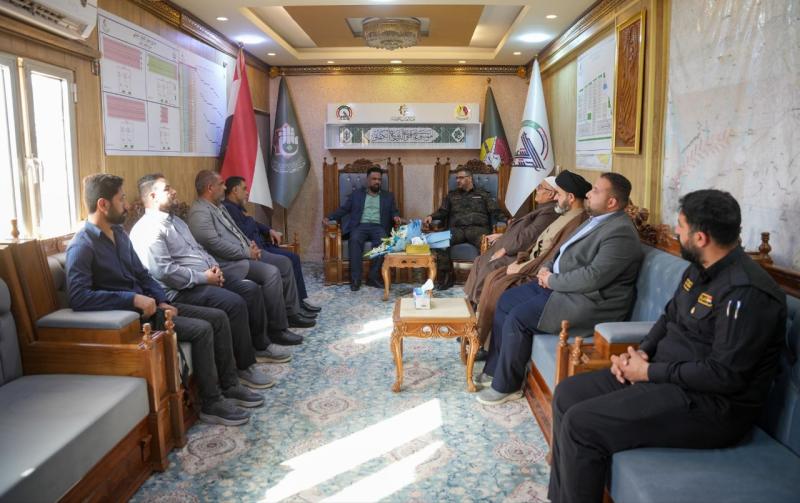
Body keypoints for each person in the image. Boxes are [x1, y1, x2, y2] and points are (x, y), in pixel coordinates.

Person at [548, 189, 787, 503]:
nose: (676, 231)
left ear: (700, 237)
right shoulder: (699, 267)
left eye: (681, 226)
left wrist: (648, 372)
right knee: (567, 393)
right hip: (664, 377)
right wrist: (641, 352)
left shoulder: (747, 293)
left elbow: (723, 376)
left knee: (582, 424)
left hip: (710, 406)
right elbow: (669, 317)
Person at [66, 174, 262, 426]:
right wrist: (132, 299)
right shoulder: (82, 245)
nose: (127, 204)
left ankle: (231, 385)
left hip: (154, 308)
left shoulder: (119, 234)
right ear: (103, 204)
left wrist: (160, 299)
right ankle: (211, 403)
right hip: (131, 321)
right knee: (202, 329)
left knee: (219, 317)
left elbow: (142, 274)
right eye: (121, 199)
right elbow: (79, 297)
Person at [476, 172, 643, 405]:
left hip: (587, 301)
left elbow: (593, 277)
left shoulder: (621, 233)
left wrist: (552, 280)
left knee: (518, 317)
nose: (588, 193)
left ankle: (507, 386)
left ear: (612, 202)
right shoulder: (595, 219)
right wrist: (546, 268)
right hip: (563, 287)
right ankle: (495, 369)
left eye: (595, 190)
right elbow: (562, 249)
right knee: (506, 300)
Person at [130, 174, 292, 390]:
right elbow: (165, 272)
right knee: (234, 303)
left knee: (250, 290)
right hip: (181, 290)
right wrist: (204, 277)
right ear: (152, 196)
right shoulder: (148, 229)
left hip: (206, 276)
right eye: (167, 189)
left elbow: (199, 250)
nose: (174, 191)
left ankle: (260, 346)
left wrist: (215, 269)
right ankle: (243, 368)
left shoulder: (176, 221)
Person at [188, 170, 314, 345]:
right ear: (210, 188)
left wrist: (250, 244)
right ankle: (277, 330)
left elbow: (236, 231)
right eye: (221, 184)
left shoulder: (218, 206)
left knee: (284, 263)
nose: (225, 188)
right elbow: (214, 244)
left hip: (241, 255)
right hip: (228, 263)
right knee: (271, 273)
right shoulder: (200, 212)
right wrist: (247, 252)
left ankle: (291, 313)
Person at [475, 170, 591, 349]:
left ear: (571, 197)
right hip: (530, 262)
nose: (556, 198)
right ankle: (479, 336)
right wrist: (520, 260)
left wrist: (522, 268)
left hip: (537, 271)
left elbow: (553, 254)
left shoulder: (577, 221)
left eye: (559, 194)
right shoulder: (566, 214)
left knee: (497, 284)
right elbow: (539, 243)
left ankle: (484, 342)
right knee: (493, 278)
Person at [222, 175, 320, 314]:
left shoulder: (236, 208)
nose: (247, 192)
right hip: (255, 252)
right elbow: (244, 232)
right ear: (235, 190)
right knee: (291, 259)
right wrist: (250, 219)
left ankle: (300, 301)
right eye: (244, 189)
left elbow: (253, 224)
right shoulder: (228, 209)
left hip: (264, 245)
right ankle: (297, 305)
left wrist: (269, 230)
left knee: (293, 258)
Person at [463, 176, 558, 305]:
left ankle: (479, 302)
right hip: (509, 243)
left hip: (516, 251)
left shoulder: (550, 211)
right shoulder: (544, 207)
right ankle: (470, 300)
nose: (536, 190)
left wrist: (505, 249)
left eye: (540, 187)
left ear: (551, 194)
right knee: (480, 260)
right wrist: (502, 236)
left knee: (489, 265)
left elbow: (529, 235)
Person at [424, 167, 506, 290]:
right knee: (440, 243)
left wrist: (507, 220)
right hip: (457, 230)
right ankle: (447, 277)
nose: (457, 180)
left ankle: (483, 279)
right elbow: (442, 211)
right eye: (457, 178)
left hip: (478, 230)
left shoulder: (483, 194)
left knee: (486, 245)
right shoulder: (452, 195)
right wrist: (431, 216)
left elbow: (495, 211)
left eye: (461, 178)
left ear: (469, 179)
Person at [325, 166, 401, 291]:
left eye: (379, 179)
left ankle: (373, 277)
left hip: (379, 226)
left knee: (383, 242)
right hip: (360, 226)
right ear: (368, 180)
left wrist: (396, 217)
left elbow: (394, 211)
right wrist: (330, 217)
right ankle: (356, 279)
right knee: (354, 240)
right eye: (374, 179)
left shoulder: (388, 196)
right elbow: (344, 209)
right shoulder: (357, 195)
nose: (377, 182)